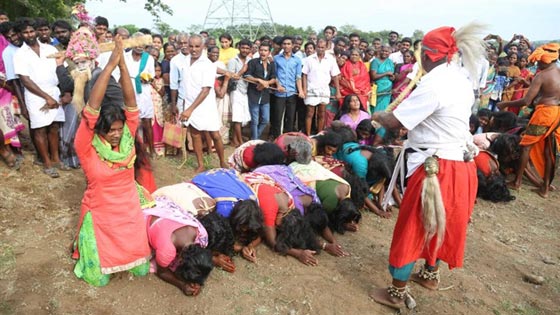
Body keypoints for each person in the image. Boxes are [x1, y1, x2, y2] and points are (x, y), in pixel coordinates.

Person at [369, 24, 483, 310]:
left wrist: (380, 115)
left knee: (415, 225)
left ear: (429, 55)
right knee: (439, 223)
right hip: (459, 166)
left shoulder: (433, 84)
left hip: (437, 169)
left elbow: (397, 123)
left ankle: (396, 292)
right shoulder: (459, 77)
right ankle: (430, 274)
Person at [72, 36, 151, 286]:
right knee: (99, 280)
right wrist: (109, 66)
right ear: (98, 131)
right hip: (101, 215)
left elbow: (131, 103)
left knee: (140, 271)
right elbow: (92, 108)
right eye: (111, 131)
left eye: (119, 129)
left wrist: (123, 65)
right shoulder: (86, 146)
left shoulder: (128, 137)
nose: (116, 134)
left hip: (128, 211)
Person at [497, 43, 560, 198]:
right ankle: (544, 187)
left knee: (526, 146)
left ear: (547, 60)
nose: (537, 64)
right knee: (548, 150)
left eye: (539, 61)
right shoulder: (558, 72)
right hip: (556, 113)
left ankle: (517, 182)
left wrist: (505, 103)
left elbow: (526, 101)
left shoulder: (542, 75)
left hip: (544, 113)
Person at [13, 18, 67, 178]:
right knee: (40, 129)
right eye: (25, 32)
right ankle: (47, 163)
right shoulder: (19, 54)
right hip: (35, 96)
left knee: (54, 127)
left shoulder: (50, 48)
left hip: (54, 91)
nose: (29, 34)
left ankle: (56, 159)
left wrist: (64, 92)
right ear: (20, 34)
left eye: (31, 31)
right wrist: (45, 97)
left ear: (36, 31)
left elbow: (61, 69)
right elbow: (25, 80)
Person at [178, 35, 228, 172]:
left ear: (203, 47)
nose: (194, 49)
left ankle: (222, 162)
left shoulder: (207, 65)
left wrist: (190, 110)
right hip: (189, 103)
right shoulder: (185, 61)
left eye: (197, 46)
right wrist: (185, 106)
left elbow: (206, 90)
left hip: (205, 105)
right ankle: (201, 164)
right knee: (195, 134)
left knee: (215, 134)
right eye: (191, 46)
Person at [125, 32, 156, 155]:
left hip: (143, 92)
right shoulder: (125, 56)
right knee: (130, 121)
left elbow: (152, 77)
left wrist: (146, 79)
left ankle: (152, 149)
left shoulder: (148, 58)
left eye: (142, 44)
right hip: (128, 89)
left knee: (146, 121)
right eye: (137, 43)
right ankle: (132, 149)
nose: (139, 46)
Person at [302, 38, 341, 135]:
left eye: (322, 47)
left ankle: (319, 134)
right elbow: (304, 75)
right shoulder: (309, 59)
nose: (320, 49)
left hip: (324, 89)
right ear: (315, 48)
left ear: (325, 48)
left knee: (321, 113)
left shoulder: (331, 59)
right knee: (309, 113)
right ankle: (308, 134)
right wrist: (304, 90)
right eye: (318, 47)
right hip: (311, 88)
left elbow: (335, 76)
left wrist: (338, 91)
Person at [271, 36, 304, 139]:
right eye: (284, 44)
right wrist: (278, 85)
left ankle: (287, 140)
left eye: (288, 44)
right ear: (282, 45)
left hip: (291, 93)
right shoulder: (276, 59)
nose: (286, 46)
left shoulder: (297, 60)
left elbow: (298, 77)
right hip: (279, 92)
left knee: (290, 117)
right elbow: (274, 75)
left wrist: (301, 91)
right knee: (278, 117)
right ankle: (277, 138)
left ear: (293, 45)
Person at [245, 42, 276, 140]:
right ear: (258, 51)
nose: (263, 52)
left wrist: (267, 83)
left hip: (265, 95)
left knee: (266, 120)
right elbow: (247, 76)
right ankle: (255, 140)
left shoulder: (271, 64)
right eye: (261, 50)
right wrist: (259, 80)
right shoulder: (253, 62)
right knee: (255, 120)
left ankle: (255, 136)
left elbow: (274, 78)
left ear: (269, 52)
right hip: (254, 94)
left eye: (265, 50)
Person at [227, 39, 251, 147]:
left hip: (245, 91)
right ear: (239, 48)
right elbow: (231, 77)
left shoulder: (250, 60)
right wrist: (242, 70)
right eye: (243, 48)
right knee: (237, 117)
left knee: (242, 117)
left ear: (250, 49)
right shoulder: (233, 60)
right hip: (236, 90)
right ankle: (240, 141)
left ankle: (236, 139)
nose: (245, 50)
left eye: (247, 48)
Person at [370, 45, 395, 113]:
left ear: (389, 53)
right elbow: (373, 76)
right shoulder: (375, 61)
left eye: (386, 51)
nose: (384, 52)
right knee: (376, 108)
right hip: (378, 88)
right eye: (383, 51)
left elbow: (392, 75)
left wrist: (392, 78)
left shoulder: (390, 62)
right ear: (379, 51)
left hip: (388, 89)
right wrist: (386, 73)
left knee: (385, 109)